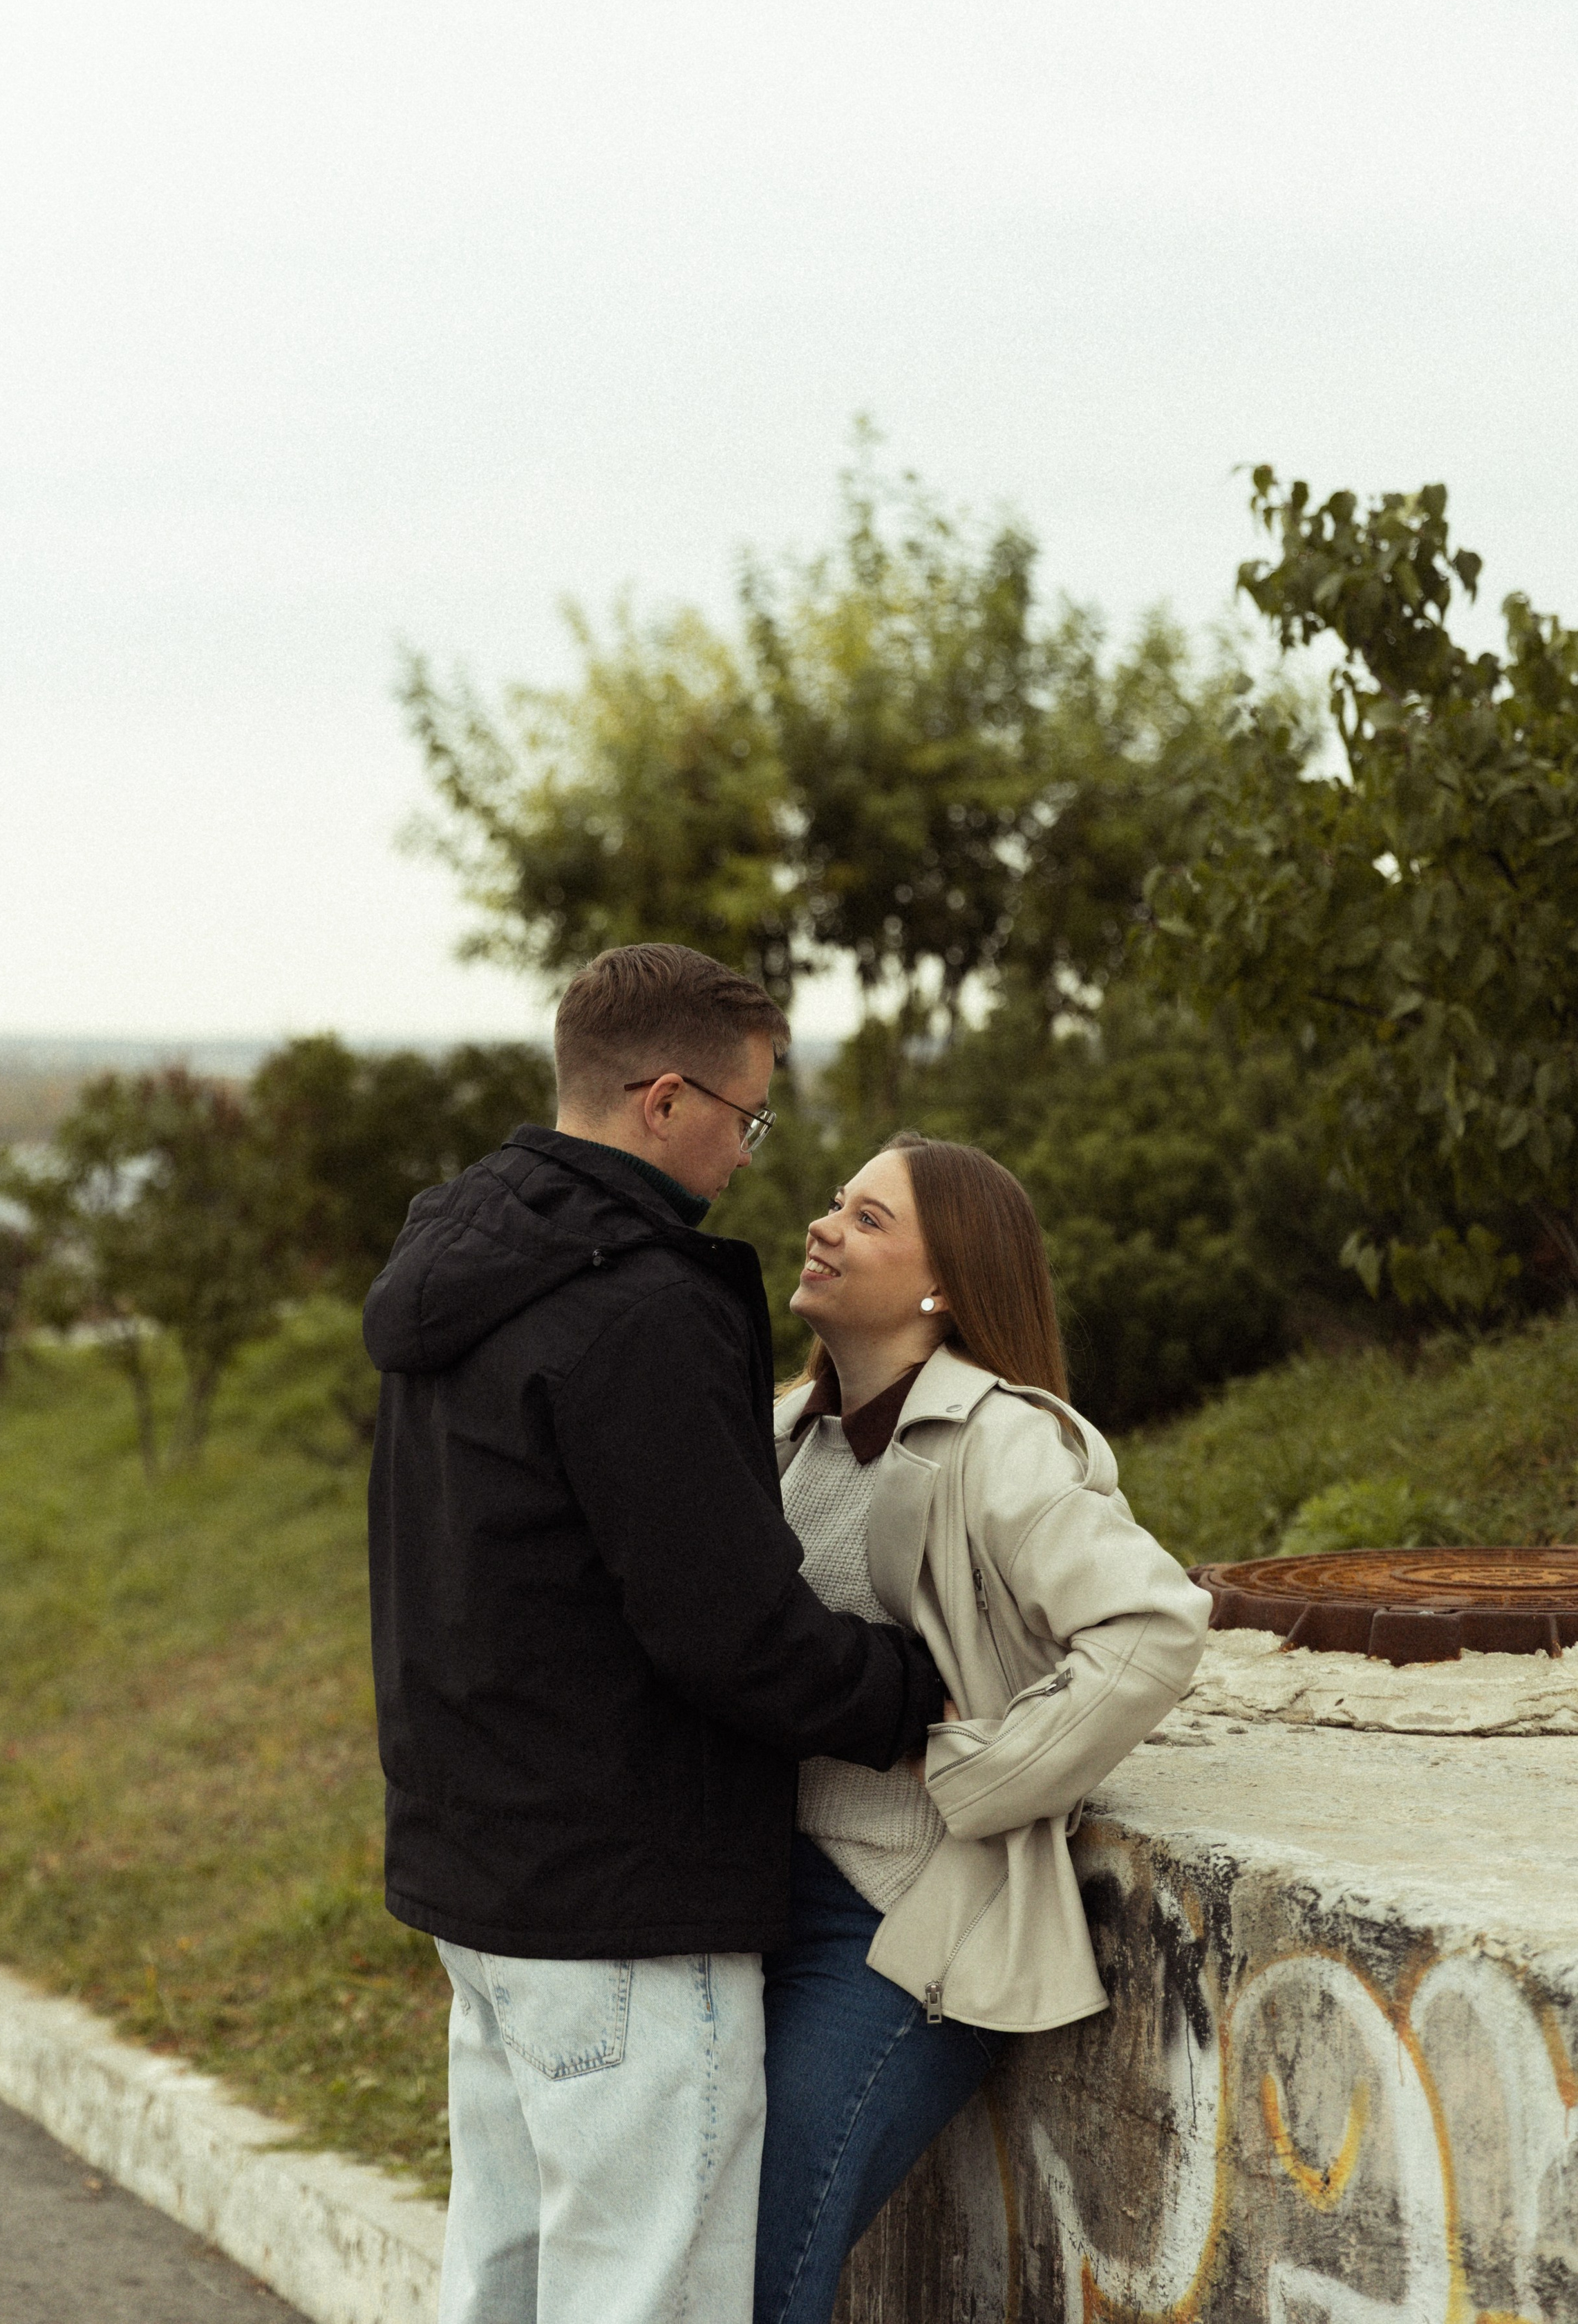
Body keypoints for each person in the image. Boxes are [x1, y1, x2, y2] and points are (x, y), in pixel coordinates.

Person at [363, 946, 948, 2324]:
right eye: (746, 1119)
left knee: (500, 2288)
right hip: (623, 1898)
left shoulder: (462, 1270)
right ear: (665, 1100)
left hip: (483, 1880)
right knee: (646, 2299)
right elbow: (728, 1628)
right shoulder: (642, 1301)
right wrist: (921, 1696)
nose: (749, 1155)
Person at [755, 1132, 1212, 2324]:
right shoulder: (781, 1433)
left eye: (865, 1219)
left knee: (756, 2264)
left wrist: (970, 1768)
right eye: (832, 1203)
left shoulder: (1005, 1439)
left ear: (943, 1284)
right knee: (674, 2241)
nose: (823, 1225)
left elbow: (1152, 1628)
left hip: (901, 1918)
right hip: (743, 1892)